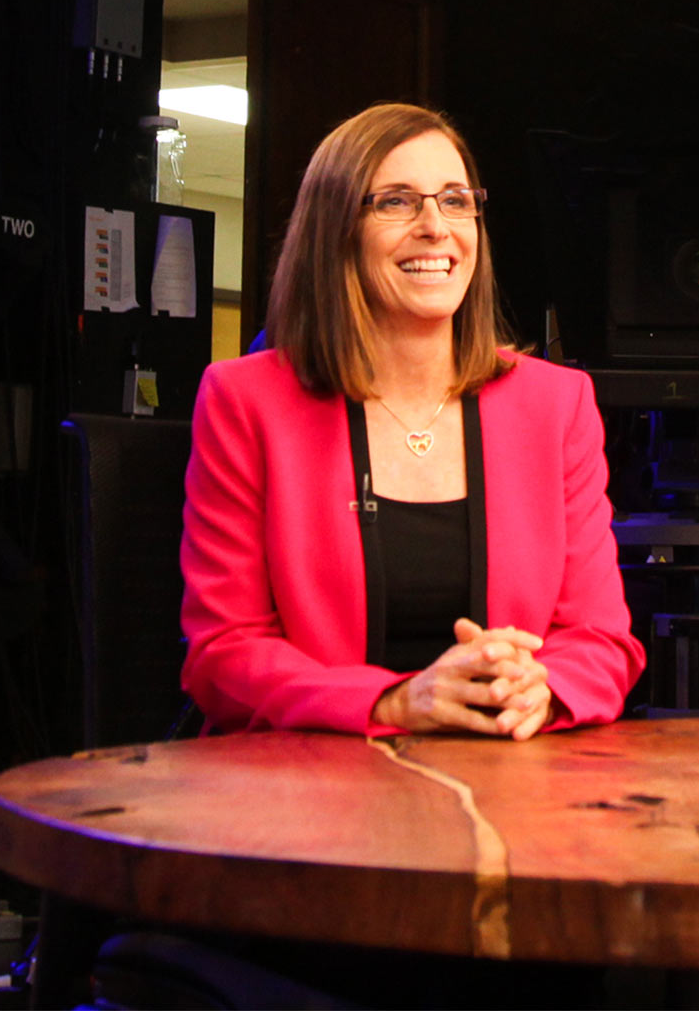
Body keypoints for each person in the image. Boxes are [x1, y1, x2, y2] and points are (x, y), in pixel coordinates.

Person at [179, 102, 643, 737]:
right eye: (396, 202)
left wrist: (543, 688)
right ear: (335, 229)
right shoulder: (246, 400)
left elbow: (600, 639)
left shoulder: (556, 404)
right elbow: (223, 654)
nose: (435, 226)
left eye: (455, 201)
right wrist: (395, 702)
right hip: (307, 786)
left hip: (510, 780)